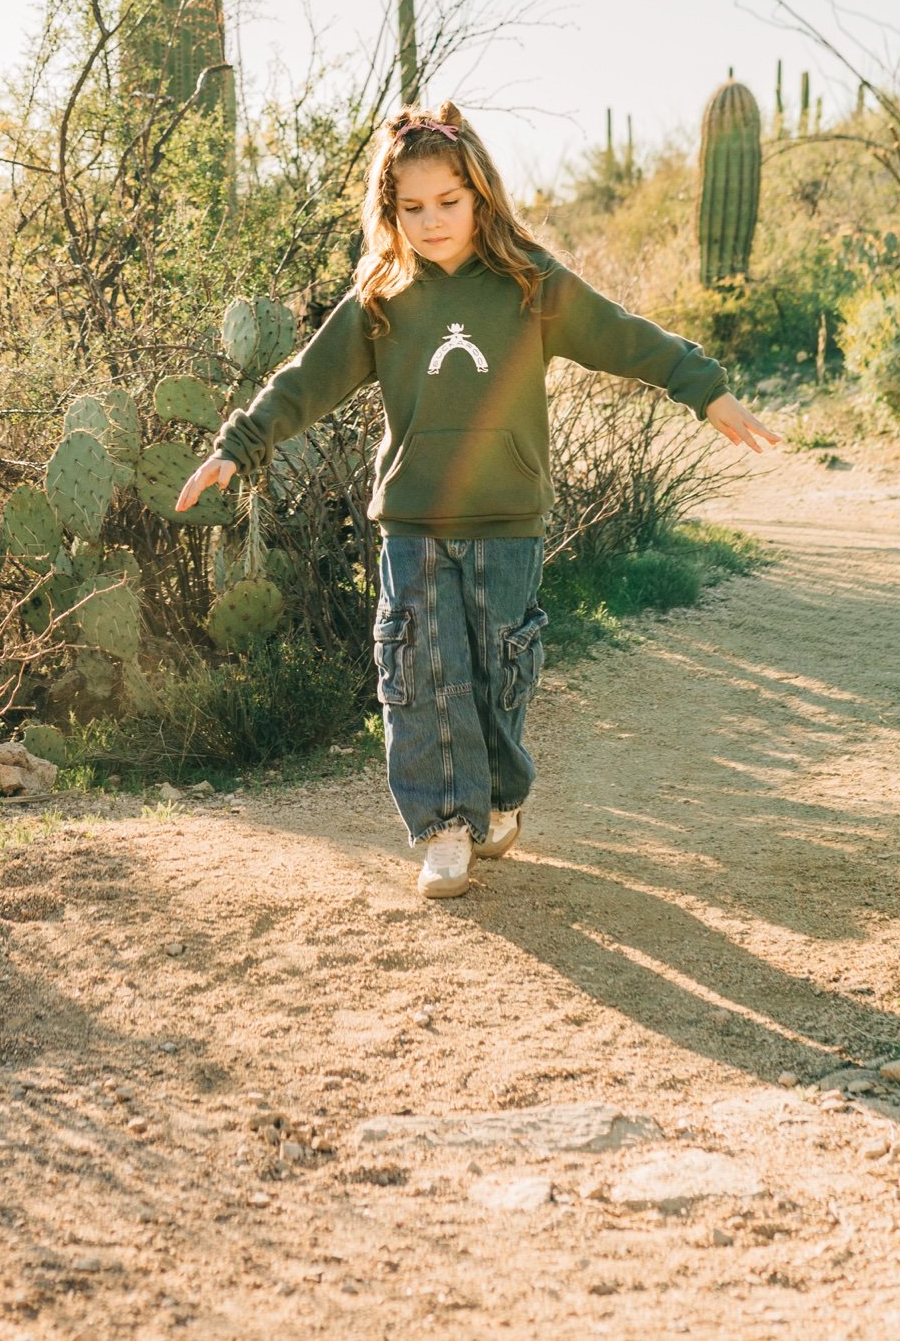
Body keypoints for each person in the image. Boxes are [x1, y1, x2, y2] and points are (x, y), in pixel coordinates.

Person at [174, 102, 778, 899]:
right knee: (422, 676)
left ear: (480, 194)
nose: (430, 222)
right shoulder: (382, 296)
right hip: (413, 522)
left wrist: (704, 389)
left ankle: (496, 798)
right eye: (411, 207)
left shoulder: (531, 284)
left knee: (500, 673)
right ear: (389, 211)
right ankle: (444, 829)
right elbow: (306, 380)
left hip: (508, 521)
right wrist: (238, 444)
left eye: (447, 202)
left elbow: (622, 335)